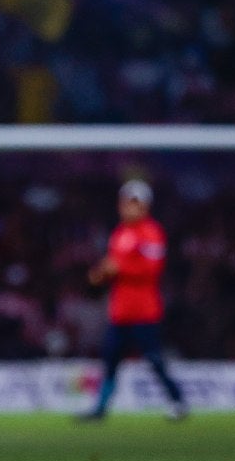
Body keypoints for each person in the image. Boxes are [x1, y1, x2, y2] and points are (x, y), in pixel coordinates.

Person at [81, 179, 188, 421]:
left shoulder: (152, 233)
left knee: (154, 359)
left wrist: (117, 269)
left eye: (134, 203)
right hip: (120, 311)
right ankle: (100, 408)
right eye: (126, 202)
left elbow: (152, 270)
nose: (128, 207)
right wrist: (100, 275)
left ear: (145, 206)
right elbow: (112, 267)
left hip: (144, 311)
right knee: (110, 359)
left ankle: (177, 401)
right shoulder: (119, 234)